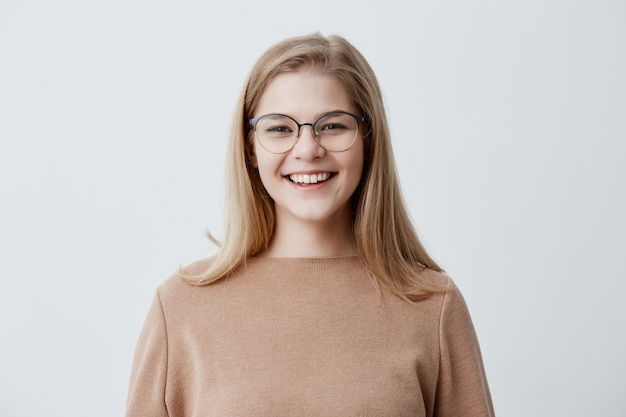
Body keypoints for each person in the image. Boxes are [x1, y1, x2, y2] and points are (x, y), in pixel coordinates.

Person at [126, 33, 495, 416]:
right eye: (279, 128)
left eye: (333, 126)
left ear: (369, 140)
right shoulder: (180, 308)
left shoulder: (433, 306)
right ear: (250, 148)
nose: (307, 149)